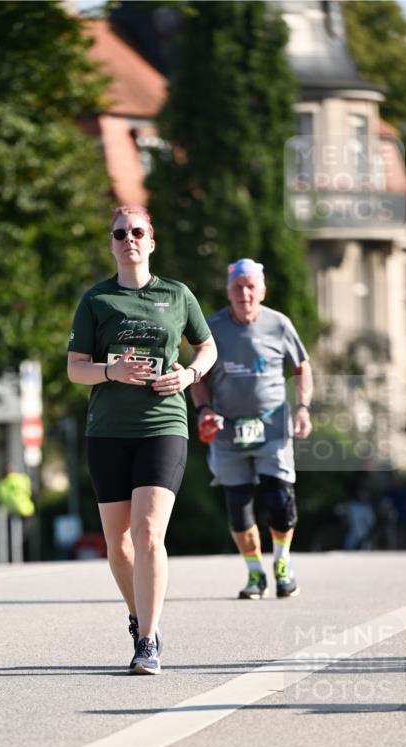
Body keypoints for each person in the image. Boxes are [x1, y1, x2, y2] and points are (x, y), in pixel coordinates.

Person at [67, 204, 217, 675]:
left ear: (151, 241)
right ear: (111, 243)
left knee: (148, 532)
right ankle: (138, 616)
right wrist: (111, 370)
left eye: (137, 232)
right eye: (119, 233)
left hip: (163, 425)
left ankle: (148, 641)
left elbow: (207, 346)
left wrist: (190, 374)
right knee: (119, 545)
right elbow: (75, 368)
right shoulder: (97, 300)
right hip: (107, 431)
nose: (128, 239)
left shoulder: (177, 295)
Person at [191, 258, 312, 599]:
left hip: (272, 425)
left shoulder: (279, 324)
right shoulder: (212, 327)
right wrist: (203, 410)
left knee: (279, 498)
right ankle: (256, 574)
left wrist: (303, 407)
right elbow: (197, 375)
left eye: (250, 286)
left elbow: (302, 367)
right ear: (228, 291)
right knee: (238, 505)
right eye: (237, 287)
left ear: (262, 289)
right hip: (228, 429)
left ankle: (283, 564)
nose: (244, 293)